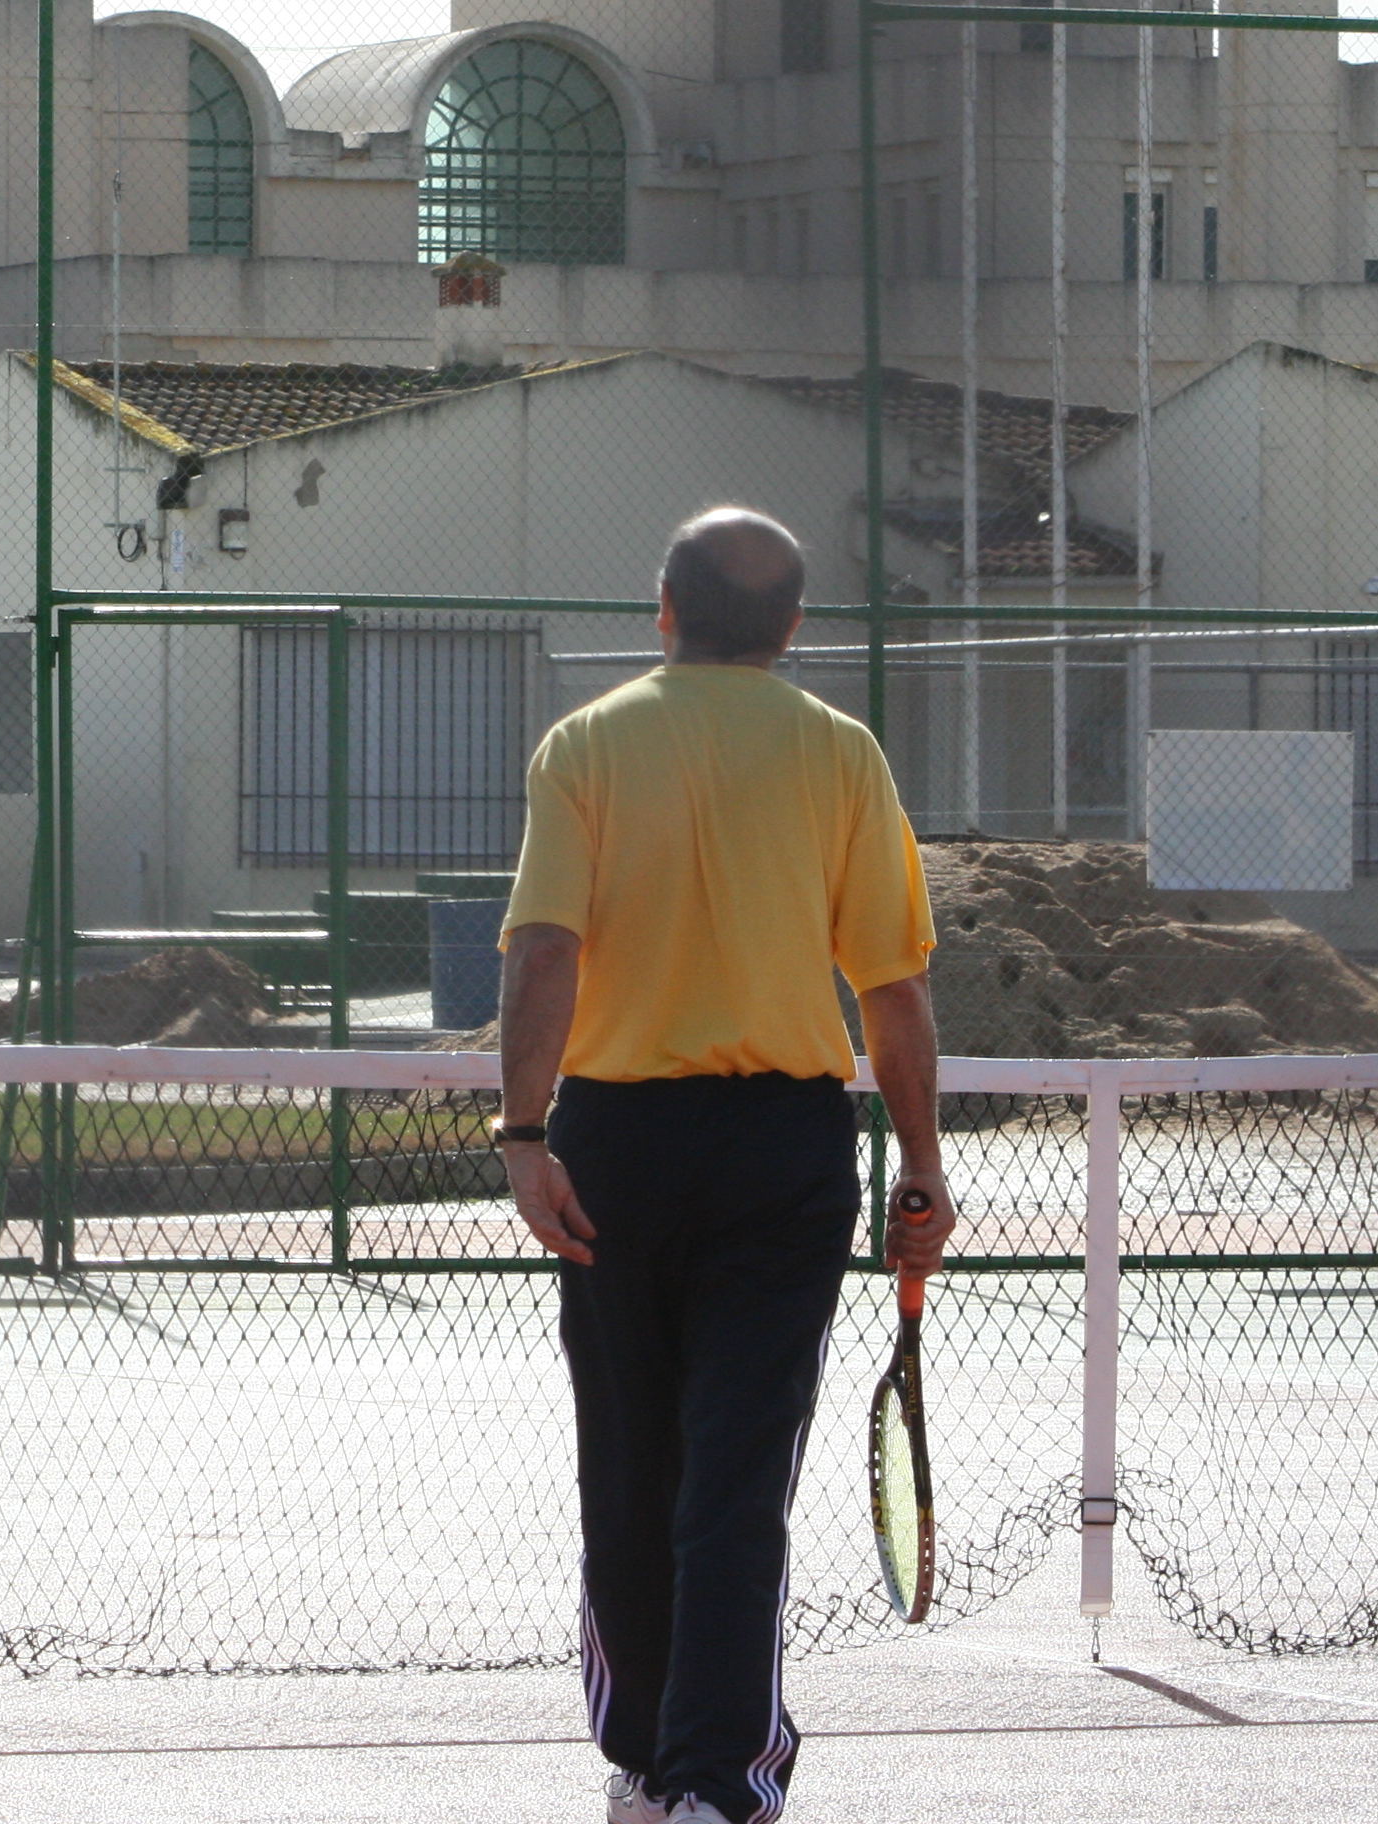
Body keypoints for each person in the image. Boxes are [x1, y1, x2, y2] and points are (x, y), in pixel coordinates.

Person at [493, 510, 950, 1824]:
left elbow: (543, 953)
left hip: (617, 1149)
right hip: (782, 1152)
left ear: (663, 609)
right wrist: (923, 1166)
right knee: (739, 1474)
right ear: (793, 627)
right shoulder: (841, 752)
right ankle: (712, 1780)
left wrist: (525, 1137)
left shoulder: (587, 745)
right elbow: (892, 988)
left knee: (630, 1463)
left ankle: (654, 1761)